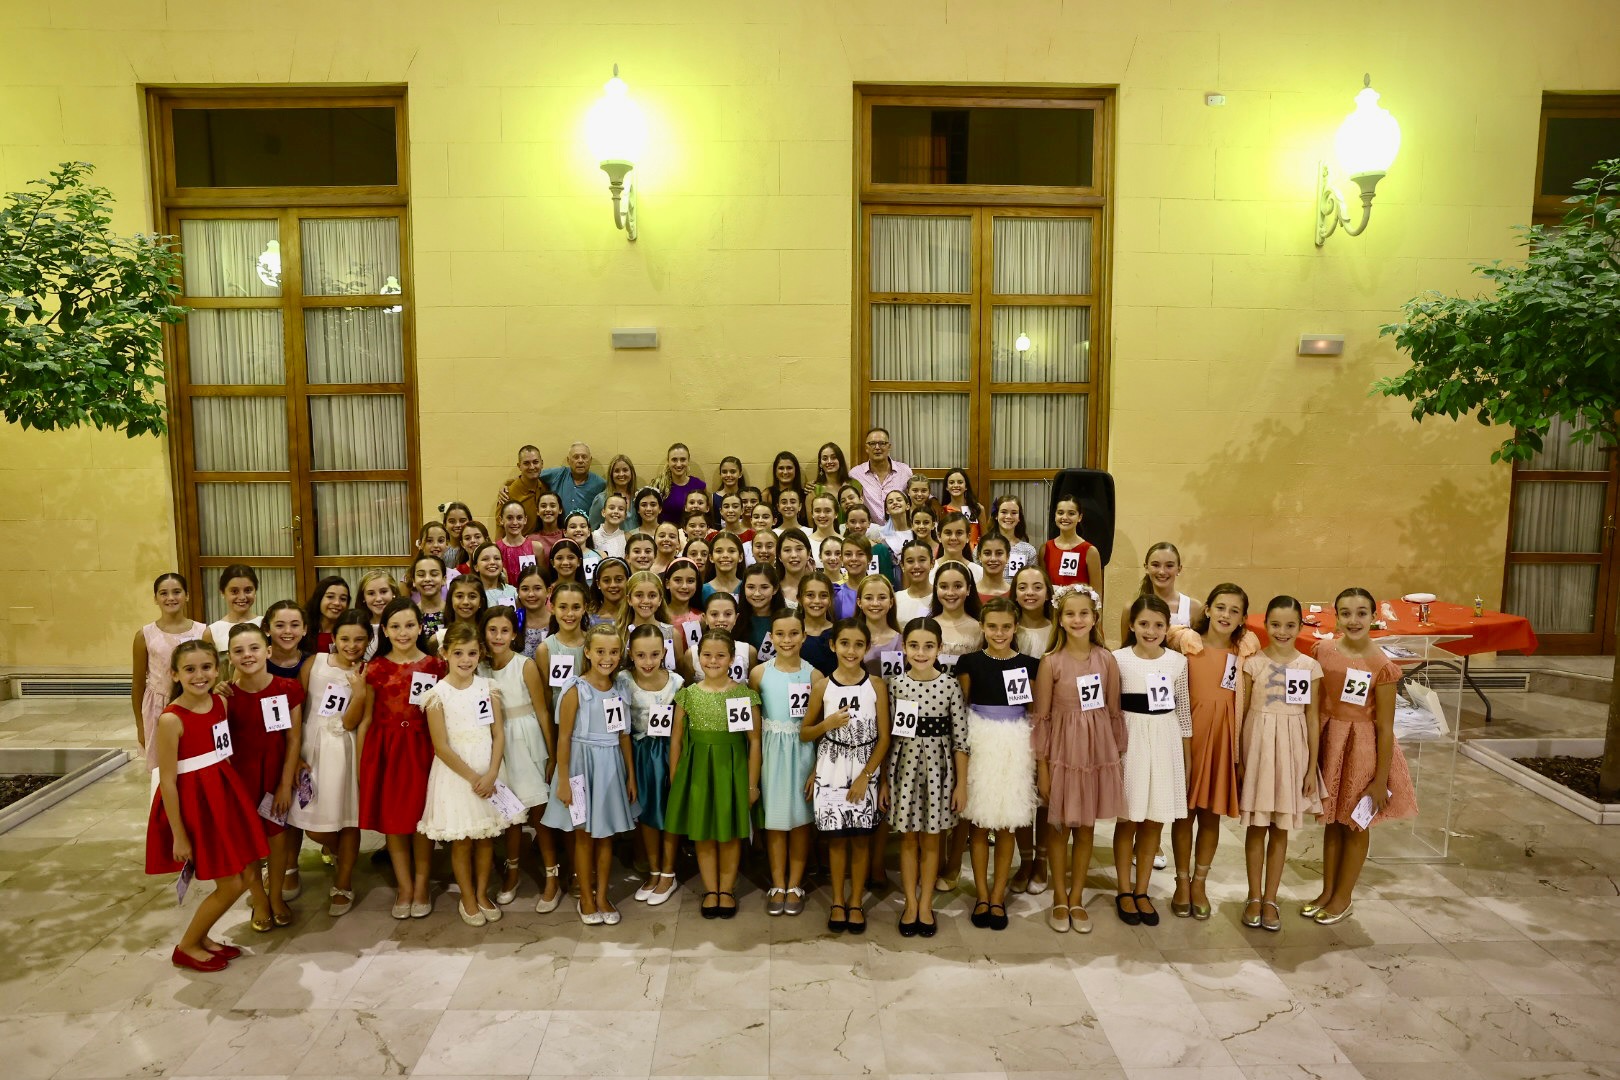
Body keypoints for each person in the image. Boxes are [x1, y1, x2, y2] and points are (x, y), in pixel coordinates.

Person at [146, 641, 267, 971]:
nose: (199, 675)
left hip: (223, 796)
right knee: (231, 883)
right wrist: (179, 834)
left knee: (244, 873)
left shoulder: (219, 702)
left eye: (206, 668)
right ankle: (186, 946)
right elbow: (168, 781)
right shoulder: (171, 719)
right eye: (189, 669)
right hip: (196, 805)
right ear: (175, 674)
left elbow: (221, 750)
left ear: (217, 670)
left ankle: (202, 937)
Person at [1308, 587, 1419, 925]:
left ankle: (1344, 897)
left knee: (1355, 822)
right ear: (1336, 616)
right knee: (1332, 820)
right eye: (1345, 613)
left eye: (1360, 613)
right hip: (1331, 742)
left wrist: (1380, 779)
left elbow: (1385, 727)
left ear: (1373, 617)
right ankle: (1328, 891)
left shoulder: (1380, 665)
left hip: (1362, 748)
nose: (1353, 620)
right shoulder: (1323, 651)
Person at [1033, 588, 1125, 933]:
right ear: (1060, 619)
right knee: (1059, 829)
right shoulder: (1050, 662)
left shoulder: (1106, 660)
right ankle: (1059, 895)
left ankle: (1076, 897)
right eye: (1070, 614)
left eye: (1084, 613)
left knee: (1086, 829)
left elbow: (1113, 711)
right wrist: (1043, 768)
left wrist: (1112, 759)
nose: (1077, 620)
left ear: (1095, 618)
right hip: (1062, 754)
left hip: (1095, 756)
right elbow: (1042, 719)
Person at [420, 622, 518, 926]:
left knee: (487, 837)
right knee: (463, 839)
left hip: (488, 768)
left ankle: (482, 892)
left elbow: (498, 734)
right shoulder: (437, 695)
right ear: (445, 653)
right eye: (458, 653)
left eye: (472, 653)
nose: (465, 660)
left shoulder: (488, 688)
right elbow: (441, 747)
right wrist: (474, 778)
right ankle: (467, 897)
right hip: (457, 775)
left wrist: (491, 773)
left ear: (481, 654)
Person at [540, 623, 639, 925]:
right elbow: (564, 738)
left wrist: (630, 775)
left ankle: (602, 896)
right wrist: (564, 780)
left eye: (613, 652)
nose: (607, 658)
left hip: (610, 766)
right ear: (588, 652)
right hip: (581, 767)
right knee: (583, 836)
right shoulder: (576, 689)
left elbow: (623, 735)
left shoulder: (620, 689)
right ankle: (585, 896)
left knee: (606, 836)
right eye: (600, 651)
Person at [1167, 584, 1255, 921]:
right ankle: (1180, 881)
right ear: (1207, 609)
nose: (1225, 615)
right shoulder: (1187, 643)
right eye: (1220, 607)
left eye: (1234, 610)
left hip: (1222, 739)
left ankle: (1199, 883)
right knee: (1183, 814)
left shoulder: (1243, 651)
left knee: (1209, 815)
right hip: (1189, 737)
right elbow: (1168, 636)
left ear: (1243, 618)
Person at [358, 598, 447, 919]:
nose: (403, 632)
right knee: (394, 821)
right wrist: (363, 764)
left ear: (421, 627)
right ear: (384, 630)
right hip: (387, 750)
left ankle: (422, 884)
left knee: (423, 818)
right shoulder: (375, 668)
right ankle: (404, 886)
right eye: (395, 626)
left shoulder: (436, 666)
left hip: (424, 748)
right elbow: (367, 718)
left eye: (409, 625)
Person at [1239, 596, 1323, 931]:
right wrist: (1239, 758)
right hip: (1258, 749)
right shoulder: (1253, 664)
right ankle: (1253, 895)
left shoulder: (1309, 666)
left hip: (1291, 751)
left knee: (1280, 828)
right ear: (1265, 625)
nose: (1282, 631)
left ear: (1300, 626)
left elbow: (1312, 717)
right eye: (1275, 624)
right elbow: (1242, 712)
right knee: (1257, 825)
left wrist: (1311, 767)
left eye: (1290, 625)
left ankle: (1271, 898)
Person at [666, 629, 763, 919]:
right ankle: (711, 889)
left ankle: (727, 889)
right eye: (707, 655)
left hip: (732, 770)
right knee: (703, 831)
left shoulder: (744, 695)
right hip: (697, 770)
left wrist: (752, 784)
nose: (713, 660)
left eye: (720, 655)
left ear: (732, 659)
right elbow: (676, 740)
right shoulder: (688, 695)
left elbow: (754, 741)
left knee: (730, 832)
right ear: (698, 658)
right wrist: (676, 778)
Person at [803, 617, 890, 935]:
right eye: (844, 643)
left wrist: (867, 775)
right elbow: (805, 733)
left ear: (867, 648)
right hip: (831, 766)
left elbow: (884, 738)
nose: (851, 651)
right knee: (837, 839)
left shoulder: (876, 685)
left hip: (865, 766)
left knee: (861, 839)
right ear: (832, 645)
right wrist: (826, 725)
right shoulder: (823, 686)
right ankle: (838, 901)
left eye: (858, 644)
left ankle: (856, 901)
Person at [958, 598, 1040, 932]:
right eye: (992, 626)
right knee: (979, 823)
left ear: (1016, 627)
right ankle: (981, 894)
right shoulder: (969, 662)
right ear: (982, 626)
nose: (999, 633)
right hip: (980, 741)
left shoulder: (1029, 665)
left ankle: (997, 895)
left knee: (1007, 823)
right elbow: (963, 706)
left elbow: (1033, 710)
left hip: (1016, 745)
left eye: (1006, 627)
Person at [1111, 594, 1191, 927]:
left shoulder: (1177, 662)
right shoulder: (1118, 660)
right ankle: (1124, 889)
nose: (1150, 630)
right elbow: (1110, 709)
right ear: (1131, 625)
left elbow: (1183, 713)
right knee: (1128, 819)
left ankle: (1142, 890)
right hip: (1130, 742)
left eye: (1158, 625)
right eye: (1143, 623)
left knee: (1154, 820)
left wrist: (1186, 762)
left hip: (1164, 741)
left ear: (1167, 628)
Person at [887, 617, 969, 938]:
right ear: (904, 647)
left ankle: (925, 904)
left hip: (939, 769)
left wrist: (961, 784)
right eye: (914, 646)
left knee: (932, 839)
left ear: (939, 648)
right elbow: (889, 736)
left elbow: (961, 739)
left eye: (928, 646)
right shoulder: (895, 684)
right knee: (908, 838)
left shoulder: (950, 685)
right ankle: (910, 902)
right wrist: (884, 782)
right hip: (904, 768)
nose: (921, 653)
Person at [222, 622, 305, 931]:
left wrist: (284, 784)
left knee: (278, 838)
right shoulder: (225, 696)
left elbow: (293, 740)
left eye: (254, 648)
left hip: (274, 774)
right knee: (247, 841)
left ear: (268, 651)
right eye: (239, 650)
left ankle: (276, 896)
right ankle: (258, 898)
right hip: (239, 779)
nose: (247, 655)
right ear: (230, 656)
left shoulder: (287, 689)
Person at [290, 609, 367, 916]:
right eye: (345, 638)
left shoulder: (366, 672)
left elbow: (351, 722)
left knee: (346, 817)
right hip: (310, 745)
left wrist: (359, 693)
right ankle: (338, 852)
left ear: (368, 641)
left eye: (359, 640)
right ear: (334, 638)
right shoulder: (315, 662)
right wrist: (294, 751)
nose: (352, 646)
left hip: (342, 749)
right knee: (311, 822)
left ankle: (344, 882)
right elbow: (298, 706)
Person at [480, 607, 557, 909]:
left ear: (514, 634)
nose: (498, 637)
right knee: (509, 813)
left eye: (505, 630)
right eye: (492, 630)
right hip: (496, 744)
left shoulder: (524, 665)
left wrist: (552, 754)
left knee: (538, 812)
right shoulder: (480, 668)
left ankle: (551, 875)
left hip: (526, 739)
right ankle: (512, 872)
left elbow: (542, 710)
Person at [751, 610, 819, 916]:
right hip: (771, 753)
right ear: (772, 637)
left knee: (801, 821)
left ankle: (795, 883)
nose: (787, 640)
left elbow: (818, 726)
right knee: (776, 821)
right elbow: (753, 723)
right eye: (780, 634)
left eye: (794, 634)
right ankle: (777, 883)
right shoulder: (759, 674)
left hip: (802, 752)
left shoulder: (814, 676)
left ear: (804, 636)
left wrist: (816, 768)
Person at [618, 624, 683, 906]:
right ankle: (654, 870)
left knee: (668, 812)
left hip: (669, 753)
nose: (648, 662)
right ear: (631, 654)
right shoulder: (623, 680)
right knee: (646, 813)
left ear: (664, 653)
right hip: (639, 753)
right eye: (641, 655)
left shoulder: (677, 682)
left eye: (654, 655)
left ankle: (668, 872)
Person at [132, 573, 206, 786]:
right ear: (155, 598)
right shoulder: (144, 635)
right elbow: (138, 683)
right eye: (164, 593)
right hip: (159, 707)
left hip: (193, 705)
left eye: (177, 592)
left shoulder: (202, 631)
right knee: (162, 771)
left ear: (187, 595)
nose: (171, 598)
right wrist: (140, 725)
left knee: (192, 764)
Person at [1119, 541, 1203, 640]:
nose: (1162, 571)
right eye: (1155, 565)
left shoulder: (1194, 608)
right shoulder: (1131, 608)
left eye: (1169, 566)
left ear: (1179, 569)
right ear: (1146, 568)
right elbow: (1126, 646)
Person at [1042, 494, 1103, 599]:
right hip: (1052, 607)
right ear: (1055, 515)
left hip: (1079, 607)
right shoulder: (1045, 548)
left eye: (1071, 513)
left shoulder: (1090, 551)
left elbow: (1096, 593)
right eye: (1060, 513)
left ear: (1080, 517)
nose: (1065, 517)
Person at [848, 426, 913, 523]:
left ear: (889, 447)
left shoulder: (904, 471)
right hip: (869, 530)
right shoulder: (856, 474)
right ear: (866, 448)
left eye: (882, 443)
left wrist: (933, 501)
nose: (877, 447)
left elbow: (916, 494)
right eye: (872, 444)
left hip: (899, 528)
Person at [540, 441, 606, 519]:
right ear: (568, 460)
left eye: (584, 457)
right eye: (576, 457)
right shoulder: (558, 474)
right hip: (558, 526)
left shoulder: (600, 484)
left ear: (590, 460)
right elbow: (534, 474)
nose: (580, 461)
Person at [492, 445, 550, 534]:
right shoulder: (507, 494)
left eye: (535, 462)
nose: (532, 467)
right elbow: (500, 531)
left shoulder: (545, 487)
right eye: (526, 463)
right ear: (519, 466)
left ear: (542, 463)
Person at [656, 442, 706, 523]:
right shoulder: (659, 486)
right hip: (666, 530)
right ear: (668, 461)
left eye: (683, 459)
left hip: (693, 530)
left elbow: (706, 516)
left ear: (688, 460)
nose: (679, 464)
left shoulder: (699, 485)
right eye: (674, 460)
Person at [587, 453, 637, 529]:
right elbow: (593, 528)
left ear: (631, 472)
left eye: (625, 470)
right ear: (611, 474)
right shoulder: (601, 499)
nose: (621, 474)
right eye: (617, 471)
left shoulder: (638, 497)